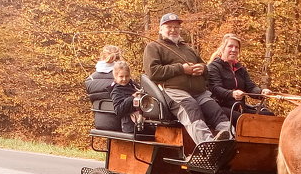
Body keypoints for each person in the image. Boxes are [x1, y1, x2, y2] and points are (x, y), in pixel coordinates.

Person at [143, 13, 232, 145]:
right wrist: (181, 69)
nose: (173, 30)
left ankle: (230, 142)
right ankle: (207, 145)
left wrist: (202, 69)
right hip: (174, 92)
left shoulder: (188, 48)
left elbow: (206, 68)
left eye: (176, 27)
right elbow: (153, 72)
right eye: (169, 26)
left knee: (216, 111)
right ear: (161, 29)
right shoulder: (153, 47)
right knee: (191, 108)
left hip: (199, 92)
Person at [207, 33, 273, 123]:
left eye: (236, 47)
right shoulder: (214, 67)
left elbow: (250, 87)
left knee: (270, 117)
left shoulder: (240, 68)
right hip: (220, 108)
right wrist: (232, 94)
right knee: (243, 120)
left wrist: (261, 92)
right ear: (223, 48)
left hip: (240, 108)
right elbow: (215, 89)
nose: (234, 50)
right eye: (230, 46)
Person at [108, 60, 147, 135]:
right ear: (115, 77)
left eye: (127, 76)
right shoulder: (116, 91)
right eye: (121, 76)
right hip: (130, 126)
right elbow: (118, 110)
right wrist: (132, 98)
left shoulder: (133, 85)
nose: (124, 79)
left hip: (142, 121)